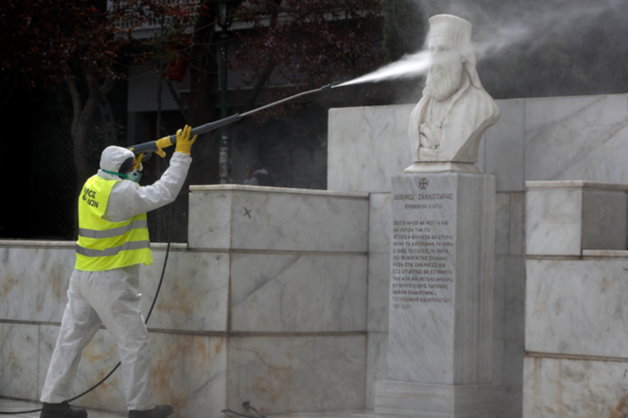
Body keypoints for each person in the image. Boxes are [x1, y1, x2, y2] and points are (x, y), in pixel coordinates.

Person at [39, 126, 197, 418]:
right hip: (110, 280)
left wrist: (144, 152)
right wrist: (181, 155)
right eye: (133, 167)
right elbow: (164, 192)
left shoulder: (93, 183)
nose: (136, 169)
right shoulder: (123, 194)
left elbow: (121, 168)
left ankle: (52, 404)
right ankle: (141, 408)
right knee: (134, 344)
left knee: (69, 339)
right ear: (124, 171)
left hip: (83, 276)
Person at [407, 14, 500, 165]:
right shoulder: (418, 112)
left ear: (463, 56)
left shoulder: (482, 107)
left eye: (443, 49)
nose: (435, 58)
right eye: (432, 50)